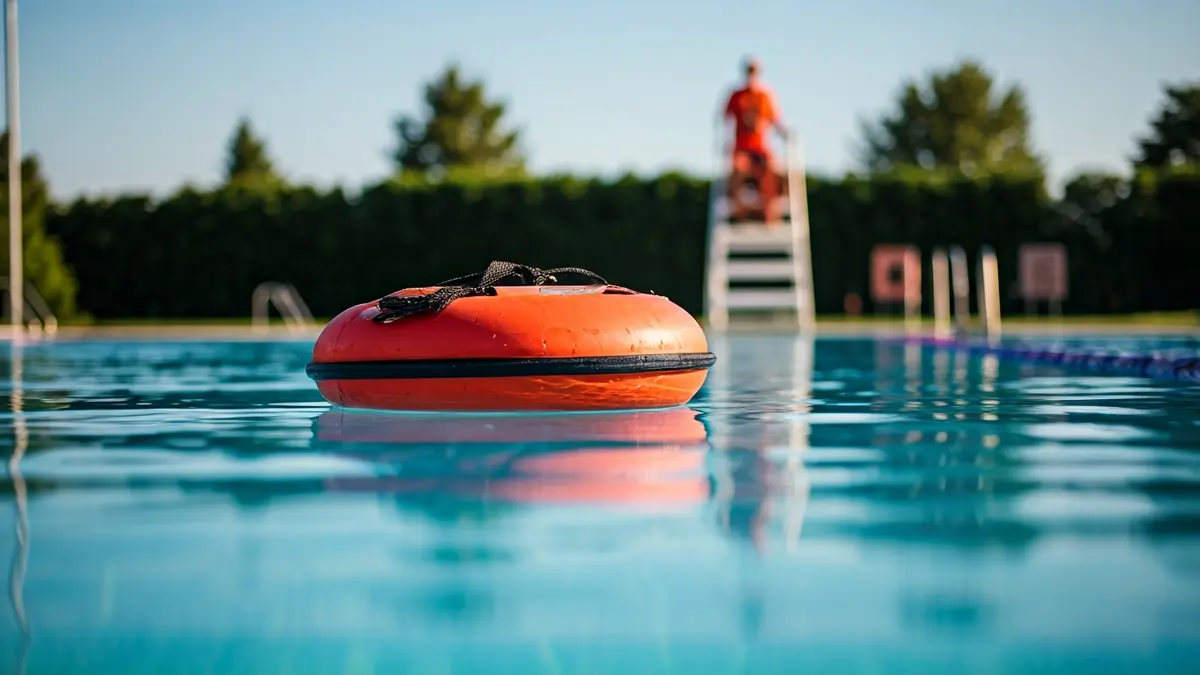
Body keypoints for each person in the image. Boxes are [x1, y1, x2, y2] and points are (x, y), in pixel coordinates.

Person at [721, 57, 790, 223]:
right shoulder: (736, 96)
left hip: (761, 149)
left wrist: (787, 134)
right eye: (750, 70)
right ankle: (739, 212)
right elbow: (725, 120)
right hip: (742, 148)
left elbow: (775, 121)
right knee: (738, 168)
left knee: (774, 170)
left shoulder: (765, 96)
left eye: (755, 71)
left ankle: (770, 212)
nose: (752, 74)